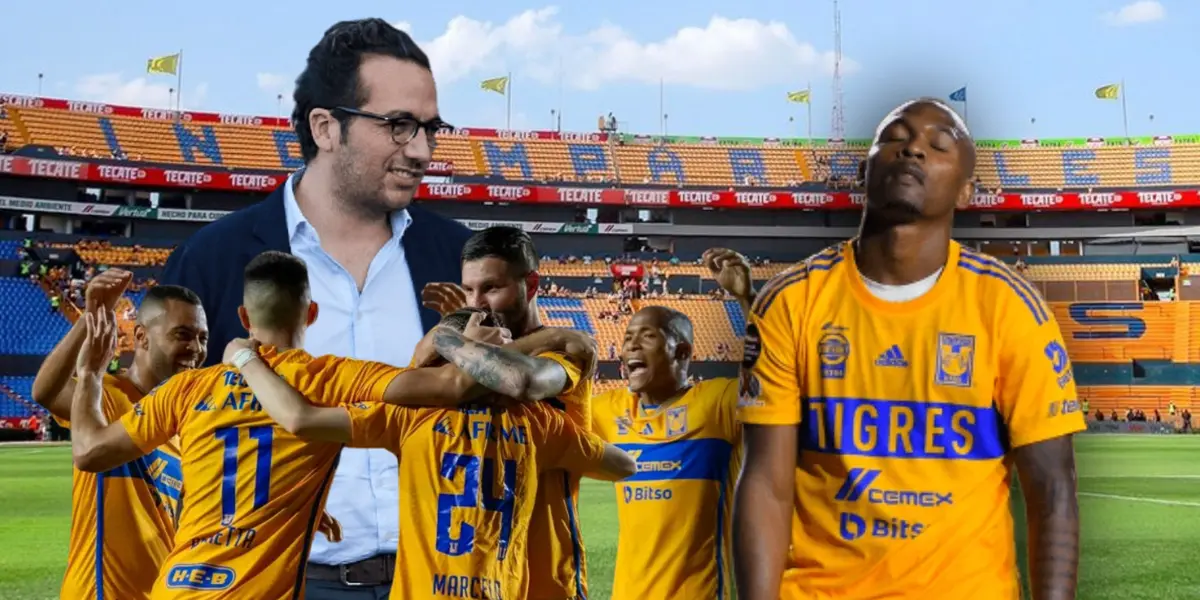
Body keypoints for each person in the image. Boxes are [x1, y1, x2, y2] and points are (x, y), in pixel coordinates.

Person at [158, 18, 473, 597]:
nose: (423, 151)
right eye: (399, 126)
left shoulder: (459, 256)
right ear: (325, 127)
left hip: (440, 576)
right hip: (277, 580)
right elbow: (164, 435)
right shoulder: (211, 260)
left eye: (430, 128)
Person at [732, 99, 1085, 600]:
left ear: (966, 190)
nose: (914, 149)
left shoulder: (1009, 307)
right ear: (864, 170)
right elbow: (766, 485)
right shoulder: (790, 301)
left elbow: (1052, 490)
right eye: (896, 138)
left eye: (938, 145)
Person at [65, 251, 528, 599]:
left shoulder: (191, 388)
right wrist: (460, 335)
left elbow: (90, 451)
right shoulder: (330, 378)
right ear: (311, 313)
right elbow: (452, 387)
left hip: (177, 585)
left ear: (245, 317)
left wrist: (89, 372)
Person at [230, 306, 636, 599]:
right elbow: (622, 465)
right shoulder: (537, 424)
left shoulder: (408, 417)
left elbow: (299, 418)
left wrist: (245, 357)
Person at [420, 226, 597, 600]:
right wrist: (448, 339)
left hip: (546, 581)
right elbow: (410, 384)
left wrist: (452, 344)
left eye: (491, 288)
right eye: (468, 290)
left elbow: (521, 380)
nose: (476, 302)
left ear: (530, 285)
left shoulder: (565, 353)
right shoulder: (472, 346)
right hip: (472, 578)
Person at [32, 269, 205, 600]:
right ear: (141, 337)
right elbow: (46, 392)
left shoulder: (184, 419)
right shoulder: (106, 393)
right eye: (182, 334)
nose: (194, 348)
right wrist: (93, 317)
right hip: (102, 592)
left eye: (202, 337)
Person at [590, 304, 743, 600]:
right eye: (627, 337)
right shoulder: (609, 410)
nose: (631, 345)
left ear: (682, 352)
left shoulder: (717, 403)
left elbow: (775, 385)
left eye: (647, 336)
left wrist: (748, 298)